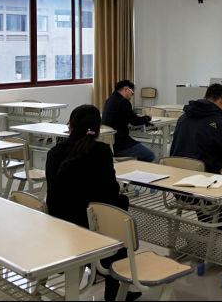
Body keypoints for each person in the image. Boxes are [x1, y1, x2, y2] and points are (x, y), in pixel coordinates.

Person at [46, 104, 141, 302]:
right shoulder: (102, 152)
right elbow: (110, 191)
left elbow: (53, 190)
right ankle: (113, 290)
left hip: (59, 224)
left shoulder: (54, 152)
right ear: (97, 129)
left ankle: (97, 268)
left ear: (70, 126)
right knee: (116, 217)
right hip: (89, 226)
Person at [170, 83, 222, 173]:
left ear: (204, 97)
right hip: (204, 175)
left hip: (177, 172)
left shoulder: (183, 117)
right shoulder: (218, 123)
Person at [101, 80, 155, 162]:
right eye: (132, 93)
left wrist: (134, 115)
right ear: (126, 89)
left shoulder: (109, 100)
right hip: (119, 144)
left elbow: (124, 115)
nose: (131, 96)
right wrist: (147, 118)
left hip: (107, 144)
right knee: (150, 155)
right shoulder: (124, 102)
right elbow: (135, 122)